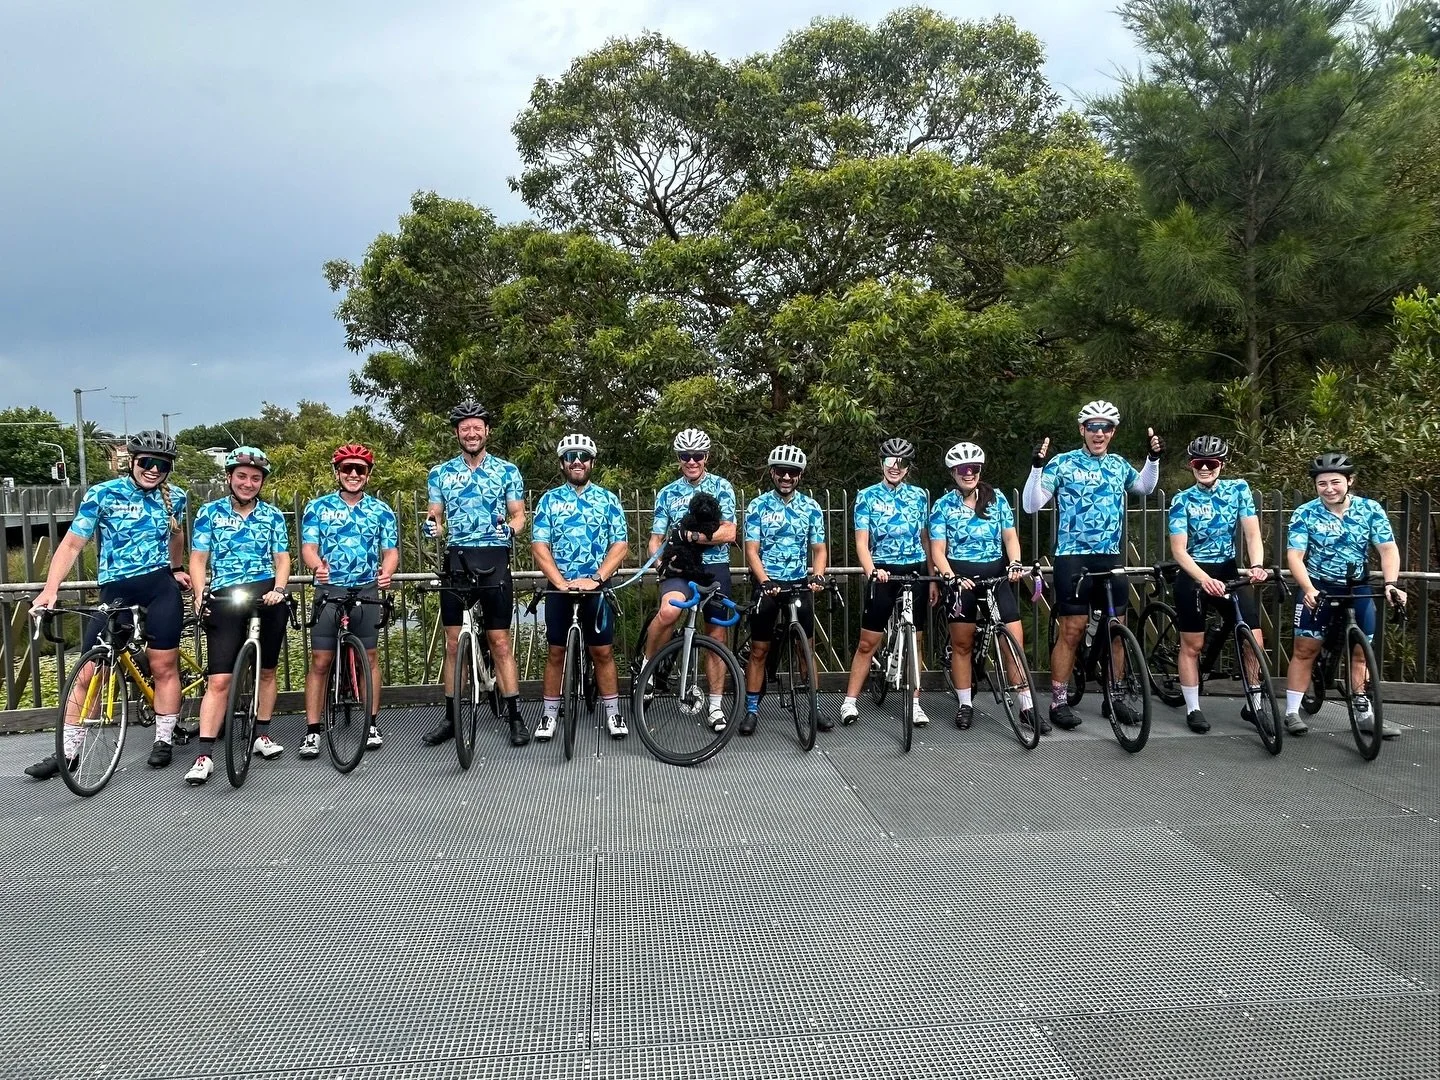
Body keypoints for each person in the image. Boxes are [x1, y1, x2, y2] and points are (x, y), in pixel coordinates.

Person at [25, 430, 191, 779]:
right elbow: (71, 545)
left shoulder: (175, 497)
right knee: (89, 672)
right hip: (116, 591)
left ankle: (164, 739)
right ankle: (68, 753)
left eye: (161, 464)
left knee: (164, 666)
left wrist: (175, 569)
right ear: (132, 462)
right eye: (146, 462)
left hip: (159, 588)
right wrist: (50, 590)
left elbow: (177, 533)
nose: (153, 469)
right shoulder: (103, 494)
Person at [1023, 400, 1162, 731]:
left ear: (1112, 432)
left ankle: (1113, 696)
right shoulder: (1064, 462)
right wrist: (1037, 467)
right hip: (1073, 557)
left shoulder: (1116, 464)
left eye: (1106, 428)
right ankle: (1058, 700)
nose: (1099, 433)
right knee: (1071, 629)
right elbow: (1031, 504)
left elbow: (1143, 487)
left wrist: (1153, 459)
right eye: (1093, 427)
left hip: (1110, 555)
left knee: (1117, 628)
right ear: (1082, 430)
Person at [422, 401, 531, 748]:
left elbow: (518, 515)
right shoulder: (440, 473)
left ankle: (515, 714)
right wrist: (431, 525)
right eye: (465, 428)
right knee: (453, 644)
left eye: (477, 427)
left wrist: (511, 531)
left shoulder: (507, 471)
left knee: (500, 642)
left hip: (494, 558)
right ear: (457, 432)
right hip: (457, 558)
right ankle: (452, 718)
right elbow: (435, 513)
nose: (471, 433)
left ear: (487, 431)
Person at [183, 447, 291, 785]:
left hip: (266, 594)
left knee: (268, 671)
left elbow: (283, 558)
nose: (248, 483)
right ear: (229, 478)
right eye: (241, 476)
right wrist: (200, 594)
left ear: (262, 483)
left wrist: (281, 589)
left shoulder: (273, 515)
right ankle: (203, 755)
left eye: (255, 478)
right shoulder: (209, 513)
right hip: (226, 593)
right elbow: (198, 558)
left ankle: (262, 734)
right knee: (219, 679)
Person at [1284, 451, 1406, 738]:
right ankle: (1291, 711)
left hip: (1358, 587)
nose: (1329, 489)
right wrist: (1309, 588)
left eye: (1335, 482)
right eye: (1322, 483)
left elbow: (1387, 549)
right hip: (1319, 586)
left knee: (1361, 652)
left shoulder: (1370, 510)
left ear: (1350, 481)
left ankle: (1363, 713)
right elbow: (1295, 556)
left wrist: (1391, 583)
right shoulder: (1305, 513)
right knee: (1305, 650)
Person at [298, 444, 398, 758]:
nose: (353, 474)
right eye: (347, 469)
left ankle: (371, 723)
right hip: (330, 591)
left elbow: (391, 551)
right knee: (320, 662)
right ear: (337, 472)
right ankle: (313, 730)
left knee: (369, 659)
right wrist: (317, 566)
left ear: (368, 474)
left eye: (360, 469)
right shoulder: (317, 507)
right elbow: (308, 547)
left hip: (366, 590)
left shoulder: (382, 510)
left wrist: (388, 573)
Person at [929, 442, 1034, 731]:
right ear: (953, 473)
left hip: (996, 575)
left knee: (1013, 640)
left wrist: (1015, 563)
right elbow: (938, 550)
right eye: (962, 469)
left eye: (973, 468)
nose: (968, 473)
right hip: (961, 578)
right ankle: (965, 704)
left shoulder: (996, 498)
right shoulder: (942, 506)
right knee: (962, 644)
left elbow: (1010, 537)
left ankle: (1026, 705)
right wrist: (949, 576)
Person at [530, 434, 630, 739]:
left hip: (596, 587)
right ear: (562, 462)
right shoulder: (548, 500)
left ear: (592, 462)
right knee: (556, 652)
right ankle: (548, 715)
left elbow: (620, 545)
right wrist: (559, 582)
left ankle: (613, 713)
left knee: (602, 652)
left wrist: (598, 578)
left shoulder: (608, 500)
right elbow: (538, 546)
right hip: (560, 588)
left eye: (583, 456)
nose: (577, 461)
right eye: (571, 456)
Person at [1166, 436, 1268, 734]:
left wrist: (1257, 565)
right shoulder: (1181, 500)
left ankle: (1255, 704)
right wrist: (1204, 579)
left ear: (1221, 464)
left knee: (1254, 639)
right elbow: (1178, 551)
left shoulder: (1239, 490)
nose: (1205, 468)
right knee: (1192, 645)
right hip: (1194, 573)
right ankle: (1193, 708)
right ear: (1191, 465)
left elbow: (1252, 534)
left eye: (1212, 463)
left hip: (1227, 569)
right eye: (1199, 463)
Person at [641, 428, 739, 731]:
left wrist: (692, 535)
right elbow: (656, 538)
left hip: (715, 566)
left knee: (716, 637)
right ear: (679, 459)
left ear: (706, 457)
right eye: (686, 456)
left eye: (697, 455)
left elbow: (729, 532)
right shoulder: (668, 492)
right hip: (679, 567)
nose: (692, 461)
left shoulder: (722, 487)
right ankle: (647, 668)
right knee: (670, 610)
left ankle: (714, 705)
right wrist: (659, 561)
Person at [838, 438, 933, 727]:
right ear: (881, 463)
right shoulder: (866, 496)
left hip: (915, 569)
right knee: (868, 642)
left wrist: (932, 579)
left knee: (916, 639)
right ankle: (850, 701)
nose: (895, 467)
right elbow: (862, 543)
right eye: (890, 462)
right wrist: (872, 571)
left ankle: (915, 702)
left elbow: (925, 539)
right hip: (882, 571)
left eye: (901, 463)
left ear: (908, 467)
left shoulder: (919, 496)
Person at [741, 444, 829, 736]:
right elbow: (751, 550)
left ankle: (814, 708)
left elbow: (819, 548)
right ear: (772, 473)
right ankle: (751, 709)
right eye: (781, 471)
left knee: (807, 649)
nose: (786, 477)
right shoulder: (758, 506)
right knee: (759, 649)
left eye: (792, 473)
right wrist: (764, 581)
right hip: (768, 584)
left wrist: (817, 576)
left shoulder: (811, 507)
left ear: (800, 476)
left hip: (798, 583)